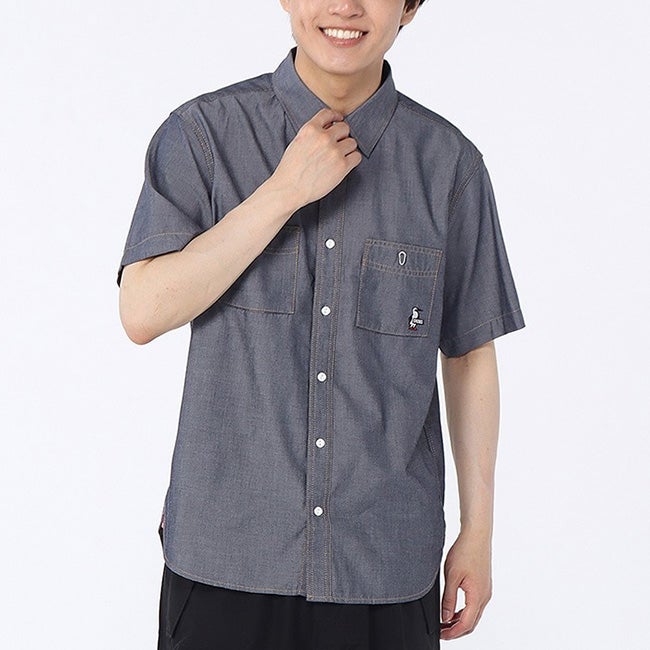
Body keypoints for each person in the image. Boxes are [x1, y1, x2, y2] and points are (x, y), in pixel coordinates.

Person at [117, 1, 526, 648]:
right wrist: (282, 191)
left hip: (383, 565)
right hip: (225, 558)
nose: (345, 7)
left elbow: (470, 353)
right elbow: (142, 311)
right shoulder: (203, 136)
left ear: (410, 8)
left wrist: (478, 531)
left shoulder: (450, 166)